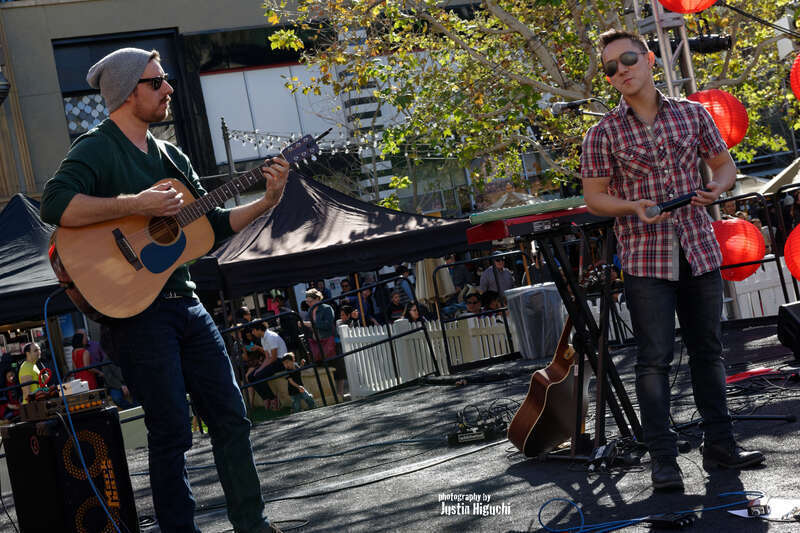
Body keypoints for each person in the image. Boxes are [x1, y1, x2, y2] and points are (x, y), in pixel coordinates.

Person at [39, 47, 289, 533]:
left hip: (184, 300)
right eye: (157, 83)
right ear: (127, 92)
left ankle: (253, 525)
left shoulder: (172, 155)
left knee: (231, 416)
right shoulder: (96, 147)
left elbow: (211, 227)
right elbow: (55, 204)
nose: (168, 89)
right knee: (172, 428)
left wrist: (265, 202)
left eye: (166, 80)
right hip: (137, 313)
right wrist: (137, 202)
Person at [580, 29, 764, 491]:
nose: (619, 71)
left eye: (626, 60)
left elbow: (724, 167)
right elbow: (594, 199)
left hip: (698, 249)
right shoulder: (601, 133)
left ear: (648, 59)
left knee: (709, 351)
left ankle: (720, 446)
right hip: (645, 259)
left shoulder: (693, 113)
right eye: (610, 68)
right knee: (653, 361)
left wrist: (717, 188)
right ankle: (663, 460)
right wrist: (631, 208)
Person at [303, 288, 346, 398]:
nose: (308, 303)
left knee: (337, 368)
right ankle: (331, 393)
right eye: (307, 301)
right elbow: (314, 327)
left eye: (310, 301)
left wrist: (312, 324)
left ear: (317, 298)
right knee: (322, 367)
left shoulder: (327, 308)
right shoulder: (310, 310)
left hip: (331, 341)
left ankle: (340, 393)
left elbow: (327, 324)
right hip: (318, 343)